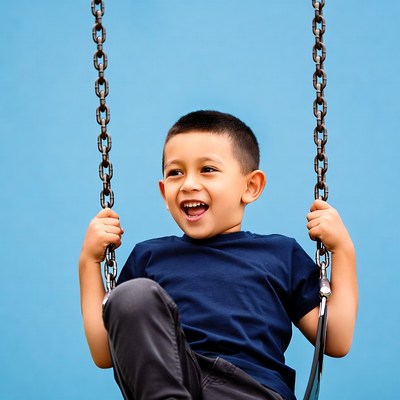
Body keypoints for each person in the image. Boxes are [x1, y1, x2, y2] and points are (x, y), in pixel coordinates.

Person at [79, 110, 357, 400]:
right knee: (132, 295)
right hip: (172, 384)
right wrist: (88, 263)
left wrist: (343, 250)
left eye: (207, 170)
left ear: (250, 187)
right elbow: (105, 353)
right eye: (176, 173)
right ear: (164, 193)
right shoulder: (148, 257)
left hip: (249, 389)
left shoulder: (279, 254)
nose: (188, 184)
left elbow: (335, 340)